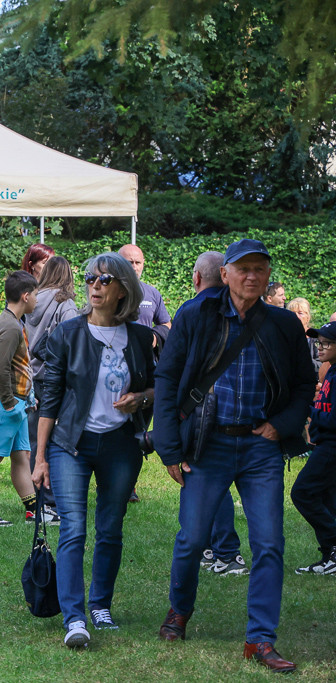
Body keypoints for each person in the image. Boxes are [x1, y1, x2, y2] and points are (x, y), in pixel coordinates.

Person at [154, 239, 315, 673]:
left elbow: (305, 383)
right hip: (209, 445)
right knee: (191, 539)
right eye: (242, 269)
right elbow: (167, 380)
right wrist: (169, 446)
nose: (251, 276)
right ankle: (179, 610)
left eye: (260, 269)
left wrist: (281, 425)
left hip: (261, 448)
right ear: (224, 274)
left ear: (267, 277)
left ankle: (260, 639)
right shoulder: (195, 314)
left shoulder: (283, 324)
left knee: (269, 543)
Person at [32, 252, 155, 648]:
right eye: (90, 279)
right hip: (72, 445)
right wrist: (40, 456)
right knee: (73, 528)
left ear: (123, 289)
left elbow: (157, 386)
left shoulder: (138, 337)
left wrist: (141, 398)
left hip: (121, 445)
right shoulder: (68, 332)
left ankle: (100, 604)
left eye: (104, 281)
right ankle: (74, 616)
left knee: (110, 527)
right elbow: (49, 397)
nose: (95, 286)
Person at [177, 251, 249, 576]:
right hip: (239, 415)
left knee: (210, 483)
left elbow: (176, 372)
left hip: (206, 414)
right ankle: (214, 548)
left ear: (196, 278)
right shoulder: (244, 312)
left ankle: (227, 552)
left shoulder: (192, 311)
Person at [0, 271, 51, 527]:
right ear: (25, 296)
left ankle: (33, 511)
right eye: (36, 294)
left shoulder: (15, 322)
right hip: (2, 402)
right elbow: (0, 369)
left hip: (15, 402)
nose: (37, 300)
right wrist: (9, 404)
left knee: (21, 457)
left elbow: (18, 368)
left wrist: (26, 399)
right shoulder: (9, 327)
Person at [24, 256, 79, 513]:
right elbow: (71, 341)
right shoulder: (64, 303)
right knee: (55, 440)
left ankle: (36, 497)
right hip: (54, 378)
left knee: (36, 441)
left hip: (32, 375)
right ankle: (50, 501)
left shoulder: (32, 299)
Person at [118, 242, 171, 505]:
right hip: (117, 372)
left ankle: (129, 486)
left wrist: (154, 336)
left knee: (140, 430)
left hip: (148, 374)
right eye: (128, 262)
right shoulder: (108, 291)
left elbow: (167, 324)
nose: (134, 267)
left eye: (137, 262)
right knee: (118, 429)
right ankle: (113, 480)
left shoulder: (152, 293)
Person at [291, 321, 336, 575]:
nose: (320, 347)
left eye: (327, 343)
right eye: (319, 342)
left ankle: (333, 544)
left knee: (303, 493)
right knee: (328, 499)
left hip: (331, 446)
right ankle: (331, 556)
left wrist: (310, 413)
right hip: (324, 442)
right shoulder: (331, 371)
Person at [287, 297, 320, 372]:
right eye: (292, 313)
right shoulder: (283, 337)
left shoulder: (316, 338)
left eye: (300, 313)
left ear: (308, 317)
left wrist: (303, 359)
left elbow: (321, 365)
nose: (296, 316)